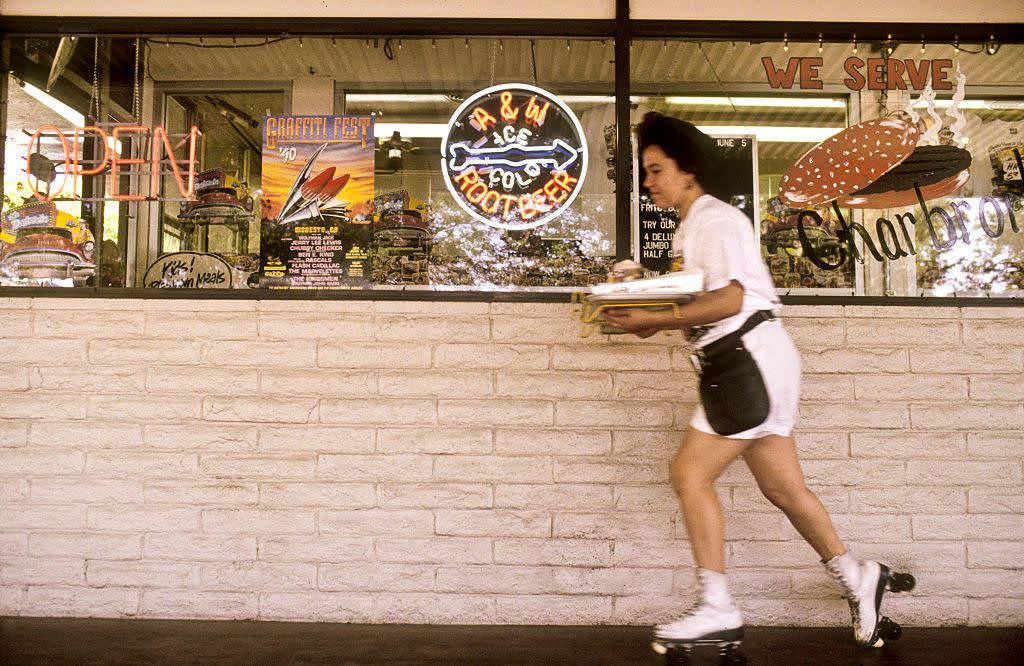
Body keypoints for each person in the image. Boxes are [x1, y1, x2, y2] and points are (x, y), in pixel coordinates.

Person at [601, 112, 907, 649]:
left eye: (655, 169)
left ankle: (718, 606)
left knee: (689, 476)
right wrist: (639, 313)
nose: (647, 181)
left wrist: (655, 317)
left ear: (687, 170)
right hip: (749, 364)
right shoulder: (692, 224)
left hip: (747, 363)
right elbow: (698, 307)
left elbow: (734, 298)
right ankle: (858, 577)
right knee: (785, 489)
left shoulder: (714, 221)